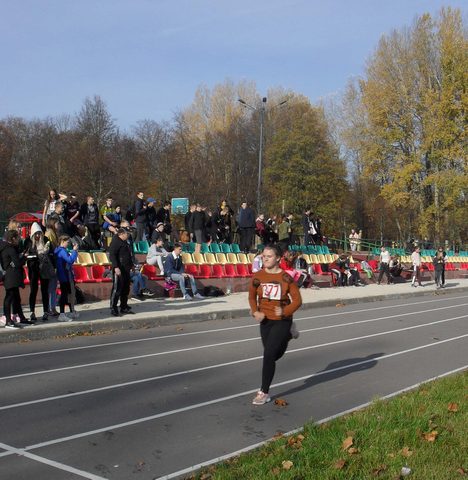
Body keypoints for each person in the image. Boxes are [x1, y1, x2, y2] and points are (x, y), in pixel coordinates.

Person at [249, 244, 302, 405]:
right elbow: (252, 297)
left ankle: (264, 392)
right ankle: (287, 336)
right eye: (263, 256)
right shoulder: (258, 276)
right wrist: (255, 311)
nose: (265, 259)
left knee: (269, 354)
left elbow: (298, 300)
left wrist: (285, 311)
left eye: (269, 256)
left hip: (283, 320)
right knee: (273, 355)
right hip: (265, 319)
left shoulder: (286, 277)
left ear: (278, 258)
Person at [0, 230, 31, 328]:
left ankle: (21, 318)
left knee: (16, 298)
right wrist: (24, 258)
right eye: (18, 237)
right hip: (11, 276)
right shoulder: (9, 249)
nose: (19, 239)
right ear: (13, 238)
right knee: (9, 297)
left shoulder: (8, 248)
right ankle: (8, 321)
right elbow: (17, 263)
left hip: (11, 276)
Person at [23, 222, 53, 322]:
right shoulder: (28, 241)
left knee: (44, 290)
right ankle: (32, 312)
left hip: (44, 268)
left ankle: (45, 311)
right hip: (33, 269)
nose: (37, 236)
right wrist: (34, 256)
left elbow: (51, 254)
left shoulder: (45, 240)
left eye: (39, 233)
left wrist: (46, 252)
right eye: (35, 234)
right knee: (33, 290)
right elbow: (26, 254)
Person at [109, 227, 135, 316]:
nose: (128, 236)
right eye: (127, 234)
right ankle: (113, 307)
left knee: (125, 289)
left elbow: (128, 254)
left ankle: (123, 306)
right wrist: (116, 267)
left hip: (126, 269)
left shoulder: (124, 242)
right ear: (121, 234)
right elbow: (112, 255)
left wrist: (131, 265)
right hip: (119, 269)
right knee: (117, 289)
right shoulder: (116, 241)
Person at [54, 235, 79, 322]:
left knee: (68, 294)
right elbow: (70, 260)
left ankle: (70, 311)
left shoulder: (58, 250)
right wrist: (74, 251)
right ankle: (62, 314)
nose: (68, 244)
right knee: (64, 294)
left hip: (64, 275)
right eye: (67, 242)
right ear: (62, 241)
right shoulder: (61, 251)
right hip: (64, 276)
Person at [45, 218, 60, 316]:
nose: (59, 225)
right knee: (51, 287)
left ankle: (52, 307)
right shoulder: (49, 233)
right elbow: (50, 249)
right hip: (51, 263)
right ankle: (51, 308)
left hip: (54, 262)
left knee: (53, 287)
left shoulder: (54, 233)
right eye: (57, 223)